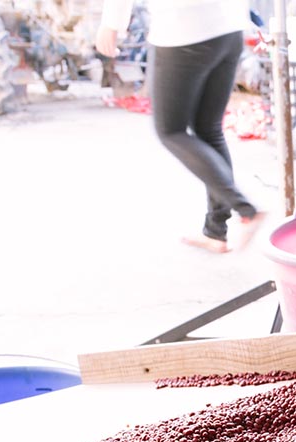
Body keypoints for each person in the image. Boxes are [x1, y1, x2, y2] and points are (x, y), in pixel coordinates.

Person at [96, 0, 264, 253]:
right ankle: (216, 232)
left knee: (170, 130)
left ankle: (246, 209)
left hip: (185, 28)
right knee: (208, 129)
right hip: (229, 27)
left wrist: (111, 24)